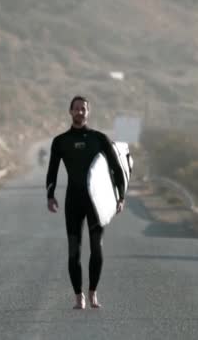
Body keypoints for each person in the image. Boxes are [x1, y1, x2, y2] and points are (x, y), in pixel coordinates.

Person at [45, 95, 125, 309]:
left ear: (88, 112)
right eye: (76, 109)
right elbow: (52, 170)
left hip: (96, 202)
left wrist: (120, 196)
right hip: (73, 201)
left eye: (84, 109)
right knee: (74, 250)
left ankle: (93, 293)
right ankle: (78, 295)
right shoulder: (61, 141)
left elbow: (117, 168)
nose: (80, 112)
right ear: (70, 112)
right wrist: (50, 195)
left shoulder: (99, 138)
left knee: (97, 248)